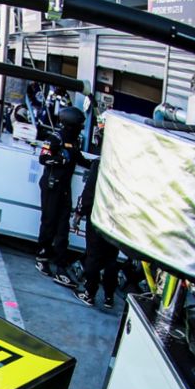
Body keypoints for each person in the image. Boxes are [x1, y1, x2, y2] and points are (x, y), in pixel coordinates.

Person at [36, 105, 88, 288]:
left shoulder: (74, 141)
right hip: (52, 186)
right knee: (49, 222)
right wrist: (60, 160)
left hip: (65, 189)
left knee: (63, 227)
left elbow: (79, 158)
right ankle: (42, 257)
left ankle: (60, 265)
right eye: (80, 125)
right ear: (71, 124)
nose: (82, 128)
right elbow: (43, 158)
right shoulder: (55, 138)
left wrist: (96, 165)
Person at [72, 158, 118, 310]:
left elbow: (89, 190)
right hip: (117, 220)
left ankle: (89, 293)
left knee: (93, 255)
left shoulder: (101, 163)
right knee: (111, 258)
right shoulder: (128, 165)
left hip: (99, 216)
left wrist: (79, 212)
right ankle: (109, 296)